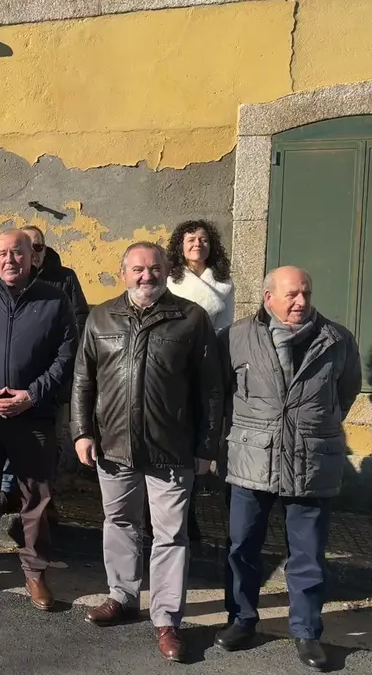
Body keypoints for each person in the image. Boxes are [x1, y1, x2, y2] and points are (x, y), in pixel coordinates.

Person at [71, 242, 222, 663]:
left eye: (154, 269)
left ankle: (168, 620)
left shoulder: (191, 318)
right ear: (124, 273)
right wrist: (82, 432)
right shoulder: (101, 317)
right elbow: (84, 380)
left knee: (171, 536)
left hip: (172, 451)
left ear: (167, 271)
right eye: (137, 269)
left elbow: (212, 389)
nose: (146, 276)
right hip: (114, 446)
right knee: (118, 522)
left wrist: (208, 446)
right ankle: (121, 596)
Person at [214, 266, 360, 672]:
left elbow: (344, 394)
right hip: (252, 459)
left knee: (308, 554)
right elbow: (221, 393)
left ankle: (307, 631)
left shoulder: (337, 339)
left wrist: (309, 428)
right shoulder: (236, 337)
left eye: (307, 294)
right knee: (242, 548)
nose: (301, 302)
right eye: (293, 294)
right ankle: (241, 619)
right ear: (268, 298)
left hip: (310, 461)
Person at [0, 230, 77, 611]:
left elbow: (66, 354)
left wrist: (33, 394)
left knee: (35, 498)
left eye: (18, 253)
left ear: (33, 258)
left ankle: (36, 574)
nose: (11, 260)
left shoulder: (55, 301)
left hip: (33, 416)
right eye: (3, 253)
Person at [0, 225, 89, 530]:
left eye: (38, 247)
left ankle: (46, 504)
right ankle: (8, 492)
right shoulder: (0, 282)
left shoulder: (64, 278)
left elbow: (78, 320)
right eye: (29, 247)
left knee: (48, 447)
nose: (32, 253)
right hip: (10, 384)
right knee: (8, 443)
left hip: (49, 383)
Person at [163, 219, 235, 544]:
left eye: (203, 239)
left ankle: (189, 507)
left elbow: (226, 327)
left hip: (208, 364)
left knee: (199, 435)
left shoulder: (223, 283)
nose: (197, 244)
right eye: (190, 239)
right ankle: (176, 513)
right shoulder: (169, 280)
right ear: (180, 245)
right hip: (174, 365)